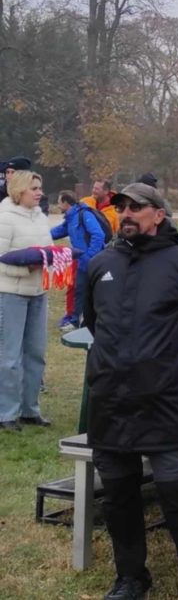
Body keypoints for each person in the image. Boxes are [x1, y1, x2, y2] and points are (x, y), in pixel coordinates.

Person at [82, 182, 178, 600]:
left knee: (177, 491)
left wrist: (170, 366)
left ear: (159, 214)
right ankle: (130, 578)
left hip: (162, 399)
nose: (126, 213)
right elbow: (94, 322)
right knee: (119, 496)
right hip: (110, 398)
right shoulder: (100, 264)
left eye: (136, 207)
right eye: (121, 206)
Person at [0, 170, 52, 431]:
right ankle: (6, 412)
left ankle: (30, 409)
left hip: (38, 294)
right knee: (9, 357)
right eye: (34, 188)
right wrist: (24, 269)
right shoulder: (4, 218)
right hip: (10, 294)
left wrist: (53, 264)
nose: (39, 192)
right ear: (19, 190)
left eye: (40, 187)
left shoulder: (41, 218)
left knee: (35, 353)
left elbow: (50, 251)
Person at [51, 190, 105, 330]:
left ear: (66, 203)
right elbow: (58, 231)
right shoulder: (70, 217)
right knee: (78, 290)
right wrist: (39, 234)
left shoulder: (84, 215)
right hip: (80, 260)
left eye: (59, 202)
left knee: (81, 291)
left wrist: (88, 256)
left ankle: (76, 321)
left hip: (88, 260)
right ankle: (77, 319)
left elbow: (98, 235)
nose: (57, 205)